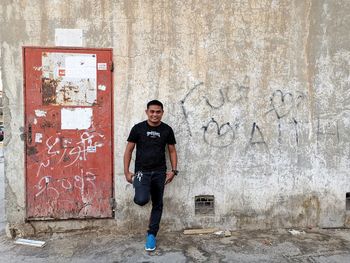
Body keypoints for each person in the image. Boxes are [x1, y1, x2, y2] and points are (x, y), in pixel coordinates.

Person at [123, 100, 178, 251]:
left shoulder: (167, 130)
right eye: (152, 111)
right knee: (141, 200)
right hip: (142, 172)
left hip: (160, 172)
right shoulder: (138, 128)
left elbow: (172, 151)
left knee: (158, 203)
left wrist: (173, 170)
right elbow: (129, 150)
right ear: (147, 112)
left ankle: (151, 235)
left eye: (158, 112)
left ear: (162, 113)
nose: (155, 114)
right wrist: (127, 171)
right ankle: (139, 186)